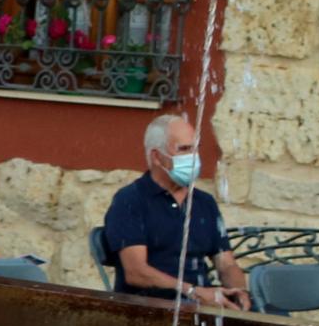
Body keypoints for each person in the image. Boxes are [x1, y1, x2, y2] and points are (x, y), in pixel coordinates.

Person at [104, 113, 246, 307]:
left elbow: (226, 263)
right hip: (150, 309)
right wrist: (192, 291)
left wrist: (239, 293)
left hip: (201, 305)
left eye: (196, 149)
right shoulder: (130, 201)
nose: (193, 157)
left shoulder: (204, 203)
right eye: (184, 149)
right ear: (157, 156)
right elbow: (136, 272)